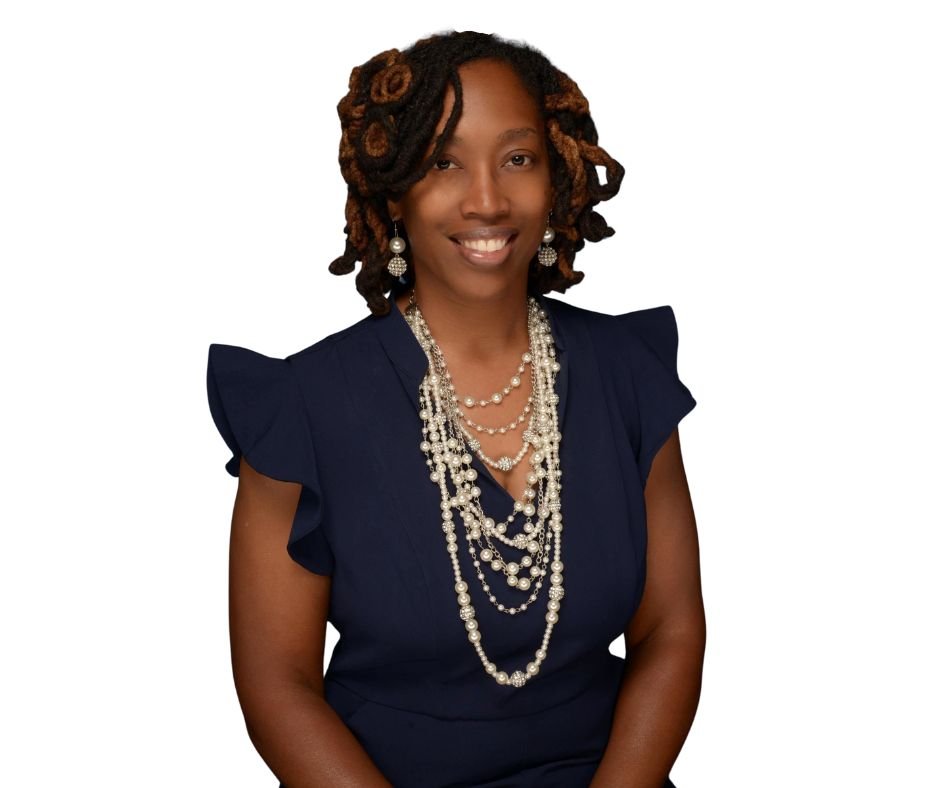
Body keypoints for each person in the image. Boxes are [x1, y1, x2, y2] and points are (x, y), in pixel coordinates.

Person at [207, 30, 704, 788]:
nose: (486, 199)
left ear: (558, 174)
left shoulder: (624, 376)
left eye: (518, 158)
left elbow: (670, 632)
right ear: (394, 187)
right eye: (444, 162)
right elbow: (279, 687)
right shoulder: (303, 409)